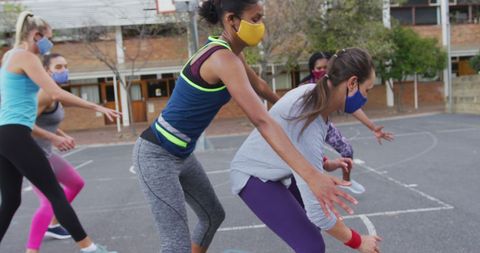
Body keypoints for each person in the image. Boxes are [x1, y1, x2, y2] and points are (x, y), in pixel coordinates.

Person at [132, 1, 356, 252]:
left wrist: (296, 111)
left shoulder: (233, 53)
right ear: (232, 20)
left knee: (212, 215)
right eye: (256, 19)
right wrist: (312, 175)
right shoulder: (223, 59)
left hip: (181, 154)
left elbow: (259, 86)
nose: (261, 26)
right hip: (156, 154)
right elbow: (262, 121)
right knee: (175, 243)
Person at [230, 48, 382, 253]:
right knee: (311, 245)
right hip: (254, 177)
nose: (366, 97)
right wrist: (359, 241)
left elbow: (296, 142)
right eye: (368, 90)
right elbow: (317, 213)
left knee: (312, 235)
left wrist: (325, 163)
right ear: (352, 83)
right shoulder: (311, 115)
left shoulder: (313, 95)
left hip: (275, 170)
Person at [0, 11, 119, 253]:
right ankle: (90, 248)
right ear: (36, 35)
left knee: (11, 199)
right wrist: (95, 105)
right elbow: (55, 92)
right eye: (48, 39)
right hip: (14, 133)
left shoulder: (9, 56)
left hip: (4, 134)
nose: (50, 44)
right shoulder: (27, 56)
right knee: (55, 193)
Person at [25, 53, 90, 253]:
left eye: (65, 66)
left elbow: (48, 121)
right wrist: (55, 139)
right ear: (46, 71)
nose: (64, 70)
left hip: (45, 152)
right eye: (59, 67)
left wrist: (61, 135)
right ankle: (32, 249)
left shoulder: (54, 91)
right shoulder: (43, 93)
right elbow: (25, 122)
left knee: (76, 183)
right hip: (30, 154)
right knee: (50, 200)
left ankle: (53, 224)